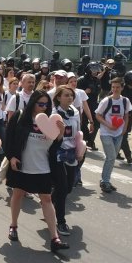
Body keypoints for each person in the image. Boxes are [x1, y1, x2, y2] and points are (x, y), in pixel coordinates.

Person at [3, 90, 69, 252]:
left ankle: (54, 237)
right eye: (40, 104)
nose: (43, 107)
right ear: (33, 103)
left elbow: (54, 148)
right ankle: (14, 226)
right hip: (22, 166)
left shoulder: (51, 121)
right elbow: (8, 140)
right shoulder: (20, 118)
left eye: (46, 104)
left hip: (43, 167)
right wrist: (11, 157)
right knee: (17, 194)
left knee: (46, 199)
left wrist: (60, 135)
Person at [51, 85, 81, 237]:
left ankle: (48, 202)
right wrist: (60, 134)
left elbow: (78, 132)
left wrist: (80, 149)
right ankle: (61, 221)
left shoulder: (75, 112)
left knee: (69, 186)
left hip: (71, 154)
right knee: (62, 188)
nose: (70, 98)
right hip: (58, 154)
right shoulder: (54, 114)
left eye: (71, 95)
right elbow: (51, 138)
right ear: (58, 97)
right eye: (66, 95)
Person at [95, 77, 132, 193]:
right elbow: (98, 115)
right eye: (113, 87)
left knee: (111, 158)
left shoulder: (125, 101)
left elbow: (126, 116)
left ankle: (106, 180)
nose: (115, 89)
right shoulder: (106, 101)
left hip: (119, 133)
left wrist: (124, 129)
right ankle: (105, 181)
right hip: (106, 133)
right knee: (111, 156)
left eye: (117, 87)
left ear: (122, 87)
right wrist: (108, 125)